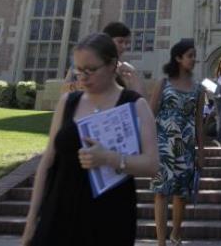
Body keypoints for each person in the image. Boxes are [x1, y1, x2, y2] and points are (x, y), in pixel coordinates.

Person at [21, 33, 159, 246]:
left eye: (91, 70)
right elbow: (47, 162)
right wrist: (31, 221)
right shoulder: (68, 102)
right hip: (59, 210)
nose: (82, 77)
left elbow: (152, 165)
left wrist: (110, 158)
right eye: (78, 70)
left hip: (109, 217)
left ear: (112, 65)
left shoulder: (134, 105)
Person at [149, 39, 205, 246]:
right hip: (163, 146)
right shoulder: (163, 84)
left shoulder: (199, 89)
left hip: (185, 148)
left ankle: (176, 234)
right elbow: (150, 113)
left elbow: (199, 123)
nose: (193, 59)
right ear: (178, 58)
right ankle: (161, 242)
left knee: (182, 195)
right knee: (161, 193)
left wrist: (201, 152)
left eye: (194, 55)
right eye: (190, 55)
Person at [103, 21, 146, 96]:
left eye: (127, 43)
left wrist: (134, 74)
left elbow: (139, 98)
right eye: (120, 41)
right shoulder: (94, 65)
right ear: (107, 40)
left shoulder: (125, 70)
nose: (124, 47)